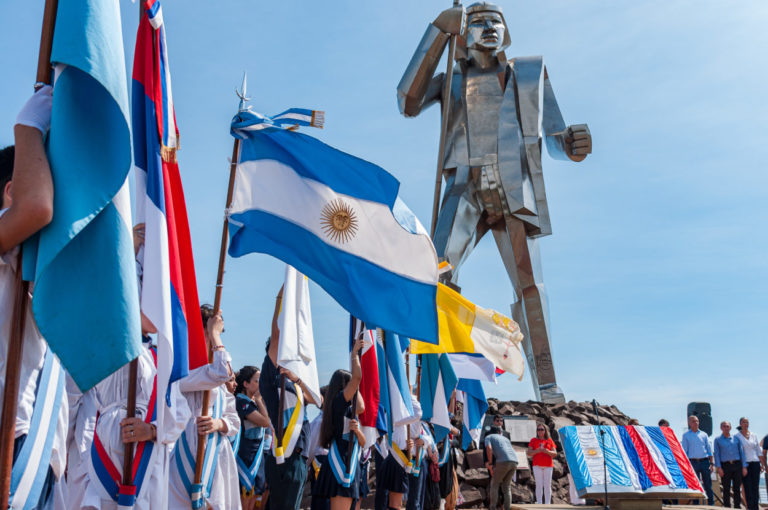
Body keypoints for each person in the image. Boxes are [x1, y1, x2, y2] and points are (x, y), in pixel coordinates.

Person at [0, 86, 69, 510]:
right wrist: (29, 125)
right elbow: (37, 208)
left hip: (31, 442)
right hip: (14, 435)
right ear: (11, 191)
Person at [168, 307, 241, 510]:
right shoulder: (181, 371)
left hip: (215, 454)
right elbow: (221, 372)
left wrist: (218, 423)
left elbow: (234, 422)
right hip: (184, 449)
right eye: (209, 335)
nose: (214, 343)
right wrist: (215, 334)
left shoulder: (215, 380)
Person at [260, 288, 321, 510]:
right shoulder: (270, 376)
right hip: (280, 455)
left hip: (298, 457)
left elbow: (318, 400)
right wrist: (280, 299)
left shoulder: (295, 381)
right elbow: (276, 337)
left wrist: (300, 380)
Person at [313, 340, 366, 510]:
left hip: (350, 457)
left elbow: (362, 408)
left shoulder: (348, 407)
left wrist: (357, 432)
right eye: (350, 385)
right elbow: (357, 377)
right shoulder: (338, 403)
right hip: (340, 461)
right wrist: (354, 356)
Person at [234, 366, 271, 510]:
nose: (260, 384)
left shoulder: (253, 403)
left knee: (255, 495)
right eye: (256, 381)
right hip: (245, 456)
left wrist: (259, 401)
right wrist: (260, 400)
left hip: (256, 455)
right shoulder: (241, 402)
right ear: (246, 384)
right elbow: (264, 421)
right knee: (244, 498)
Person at [682, 415, 714, 505]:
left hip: (704, 462)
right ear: (689, 423)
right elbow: (684, 451)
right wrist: (686, 466)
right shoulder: (686, 435)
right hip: (693, 462)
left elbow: (709, 449)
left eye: (697, 421)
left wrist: (711, 463)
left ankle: (711, 504)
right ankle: (696, 504)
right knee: (695, 484)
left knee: (708, 484)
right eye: (693, 421)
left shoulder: (704, 434)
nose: (696, 423)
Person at [485, 424, 519, 510]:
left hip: (503, 461)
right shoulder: (506, 439)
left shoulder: (488, 437)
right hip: (514, 461)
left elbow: (489, 448)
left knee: (495, 484)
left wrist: (490, 463)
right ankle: (507, 508)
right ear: (500, 432)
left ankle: (492, 508)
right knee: (507, 487)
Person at [714, 421, 747, 508]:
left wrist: (744, 466)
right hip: (725, 466)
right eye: (724, 426)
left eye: (728, 426)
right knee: (726, 488)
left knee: (737, 488)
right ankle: (727, 507)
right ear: (721, 428)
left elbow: (742, 453)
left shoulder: (736, 439)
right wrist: (719, 467)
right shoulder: (717, 440)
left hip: (737, 465)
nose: (726, 428)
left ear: (730, 428)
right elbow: (716, 454)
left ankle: (737, 507)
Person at [735, 417, 761, 510]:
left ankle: (756, 507)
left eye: (747, 422)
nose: (745, 424)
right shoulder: (737, 437)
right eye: (743, 422)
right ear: (740, 424)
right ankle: (750, 507)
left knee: (755, 487)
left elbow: (758, 450)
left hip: (755, 463)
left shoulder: (754, 435)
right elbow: (737, 452)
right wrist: (741, 466)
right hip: (745, 465)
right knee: (747, 487)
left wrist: (761, 463)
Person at [528, 423, 557, 504]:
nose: (540, 431)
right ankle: (540, 503)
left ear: (545, 431)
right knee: (539, 485)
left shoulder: (549, 440)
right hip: (537, 465)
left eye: (542, 429)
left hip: (548, 466)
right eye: (538, 429)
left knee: (547, 485)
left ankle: (547, 503)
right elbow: (529, 452)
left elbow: (555, 453)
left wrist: (547, 451)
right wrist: (537, 450)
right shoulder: (533, 440)